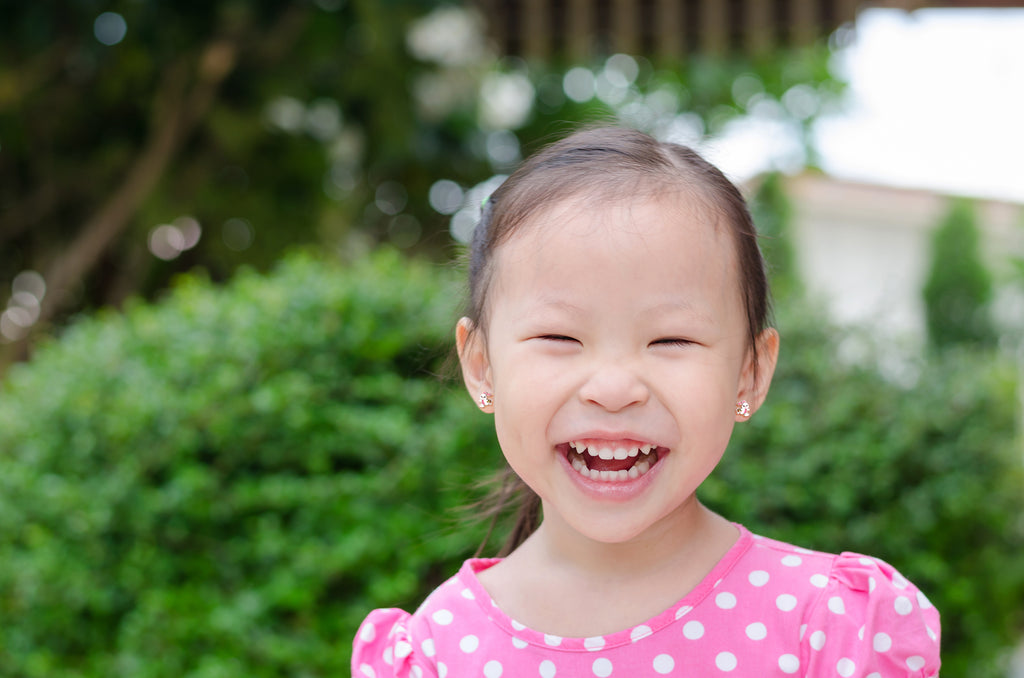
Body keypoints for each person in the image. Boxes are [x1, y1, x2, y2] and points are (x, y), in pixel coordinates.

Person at [352, 127, 940, 677]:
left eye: (671, 340)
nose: (613, 388)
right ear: (481, 365)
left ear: (750, 373)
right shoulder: (436, 650)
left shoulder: (829, 627)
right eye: (559, 337)